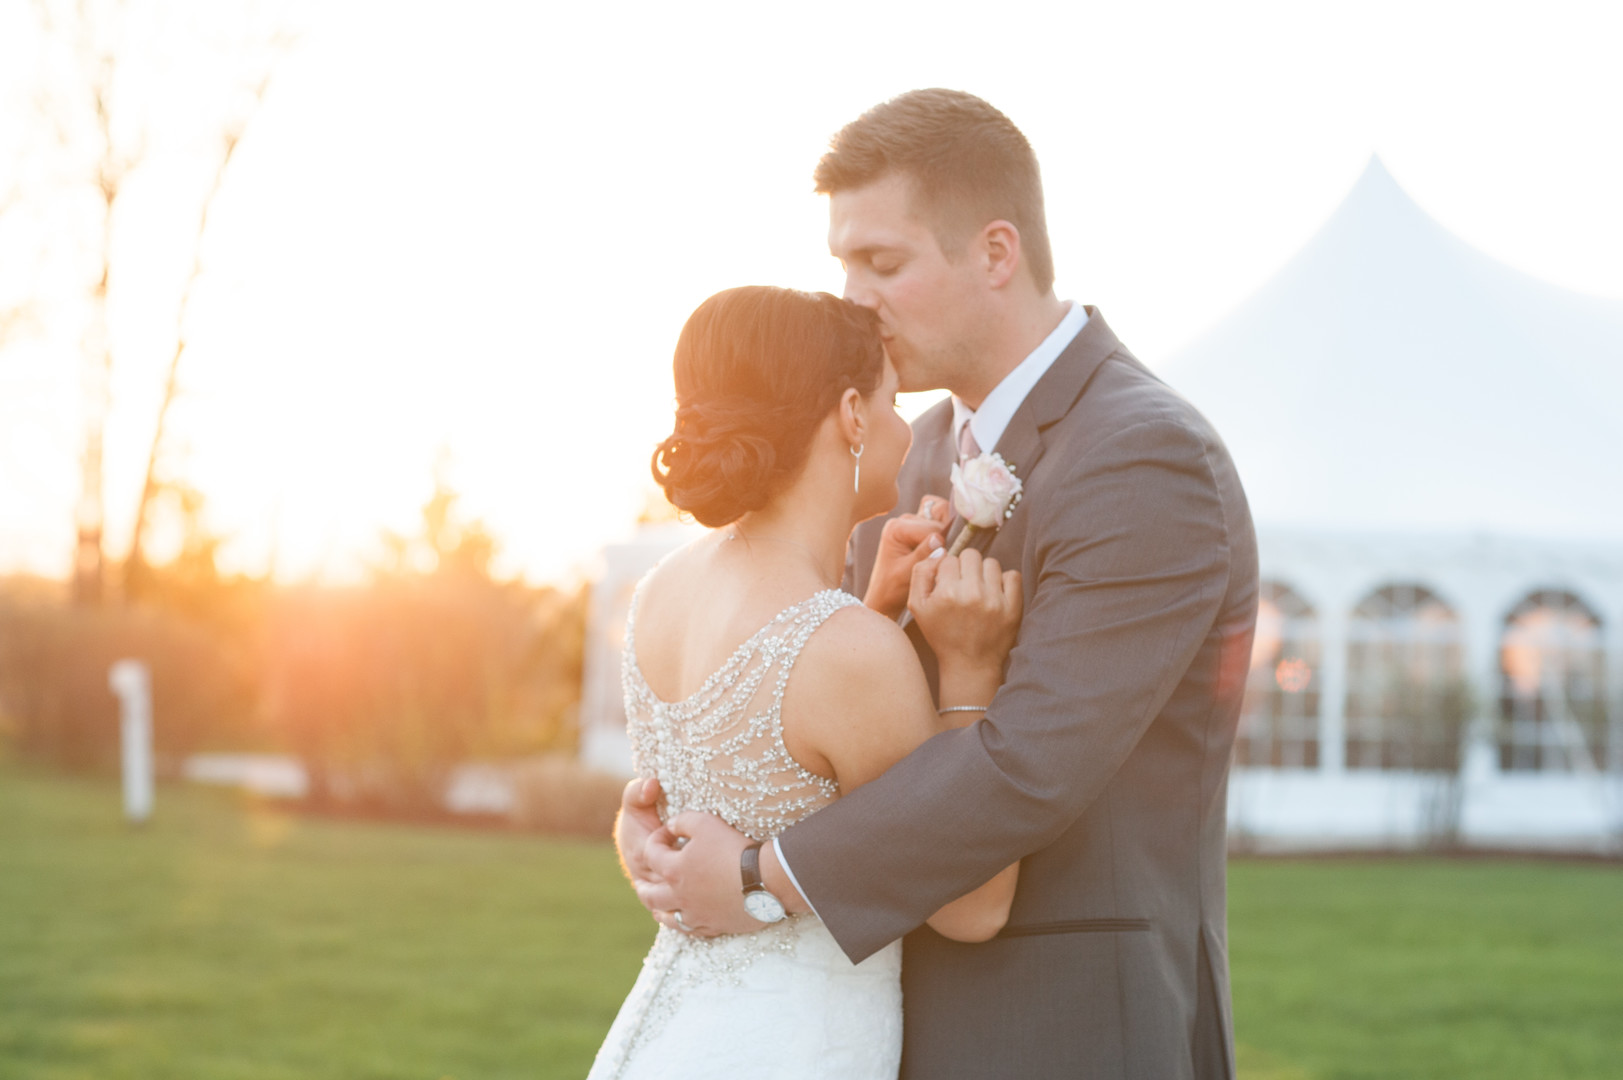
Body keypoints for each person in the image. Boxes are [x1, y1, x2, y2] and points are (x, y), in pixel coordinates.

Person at [619, 90, 1260, 1079]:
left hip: (1065, 1023)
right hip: (876, 1007)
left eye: (882, 264)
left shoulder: (1143, 457)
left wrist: (754, 874)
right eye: (842, 266)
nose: (853, 300)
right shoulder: (903, 455)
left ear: (995, 253)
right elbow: (825, 721)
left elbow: (1030, 762)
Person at [586, 285, 1025, 1080]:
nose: (904, 427)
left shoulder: (661, 591)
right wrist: (969, 666)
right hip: (791, 1051)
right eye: (892, 402)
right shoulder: (847, 653)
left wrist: (873, 608)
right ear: (851, 416)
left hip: (663, 1041)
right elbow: (970, 908)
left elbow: (773, 735)